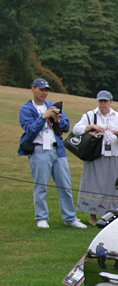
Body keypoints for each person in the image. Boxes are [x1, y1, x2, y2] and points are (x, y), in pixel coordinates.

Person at [18, 78, 87, 229]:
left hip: (57, 149)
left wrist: (57, 120)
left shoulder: (53, 106)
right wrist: (43, 118)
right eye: (41, 89)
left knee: (65, 185)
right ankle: (41, 218)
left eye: (46, 90)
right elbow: (29, 130)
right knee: (41, 186)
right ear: (33, 89)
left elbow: (66, 126)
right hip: (39, 150)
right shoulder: (26, 109)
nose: (44, 93)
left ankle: (70, 218)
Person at [72, 90, 118, 225]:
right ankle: (92, 216)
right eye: (101, 101)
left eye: (105, 101)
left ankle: (109, 215)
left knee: (111, 186)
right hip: (95, 154)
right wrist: (90, 127)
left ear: (110, 102)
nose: (103, 104)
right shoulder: (90, 115)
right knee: (93, 185)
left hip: (113, 155)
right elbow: (76, 129)